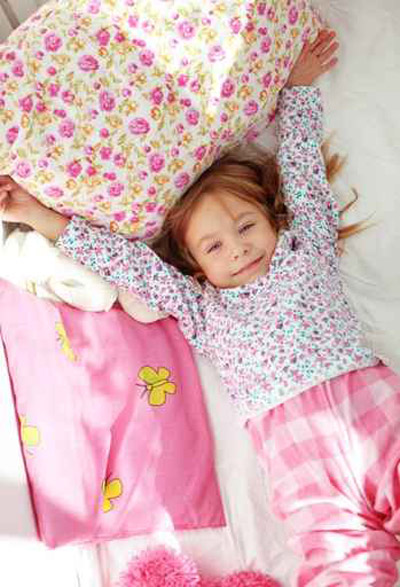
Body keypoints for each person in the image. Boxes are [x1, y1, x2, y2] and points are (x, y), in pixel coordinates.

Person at [2, 29, 400, 584]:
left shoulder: (307, 250)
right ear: (195, 268)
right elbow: (127, 264)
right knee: (341, 565)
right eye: (214, 247)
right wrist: (39, 217)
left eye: (246, 226)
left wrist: (298, 90)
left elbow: (304, 174)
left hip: (372, 412)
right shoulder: (199, 308)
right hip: (299, 459)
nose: (237, 248)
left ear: (273, 223)